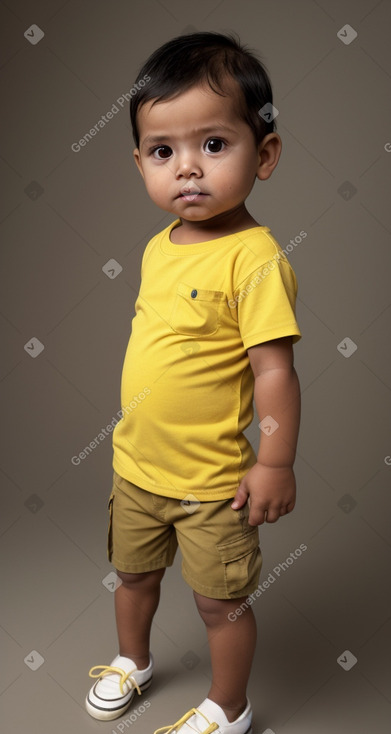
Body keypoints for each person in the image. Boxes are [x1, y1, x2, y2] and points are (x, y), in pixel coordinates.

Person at [85, 31, 302, 733]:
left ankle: (228, 707)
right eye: (162, 151)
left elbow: (273, 370)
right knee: (133, 579)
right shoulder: (157, 247)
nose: (186, 169)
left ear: (262, 154)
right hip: (137, 468)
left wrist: (273, 460)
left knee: (220, 604)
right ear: (140, 162)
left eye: (213, 144)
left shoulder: (256, 259)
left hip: (211, 482)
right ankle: (132, 661)